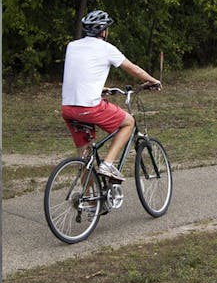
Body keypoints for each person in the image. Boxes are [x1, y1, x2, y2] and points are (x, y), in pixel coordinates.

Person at [60, 9, 162, 181]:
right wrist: (153, 81)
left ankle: (91, 201)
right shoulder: (107, 48)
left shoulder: (72, 46)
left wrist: (101, 88)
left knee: (86, 158)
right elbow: (133, 69)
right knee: (129, 122)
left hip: (68, 109)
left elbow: (80, 73)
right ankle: (108, 164)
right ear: (104, 31)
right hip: (89, 107)